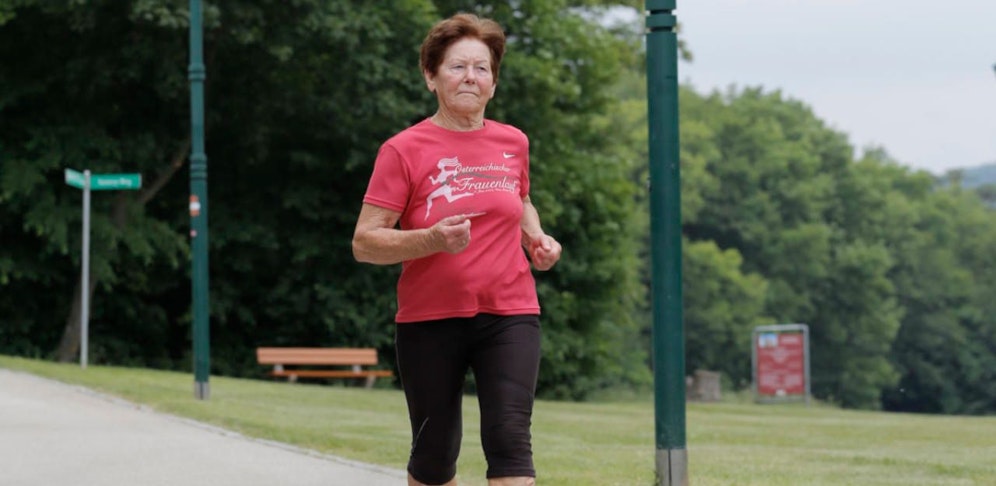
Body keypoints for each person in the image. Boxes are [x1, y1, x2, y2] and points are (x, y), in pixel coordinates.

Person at [352, 12, 562, 486]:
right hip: (431, 320)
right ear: (431, 76)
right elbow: (365, 242)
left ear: (493, 82)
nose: (471, 77)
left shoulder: (513, 142)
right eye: (456, 66)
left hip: (510, 313)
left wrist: (536, 239)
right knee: (434, 457)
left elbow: (520, 198)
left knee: (511, 442)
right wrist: (431, 239)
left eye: (481, 68)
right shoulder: (403, 150)